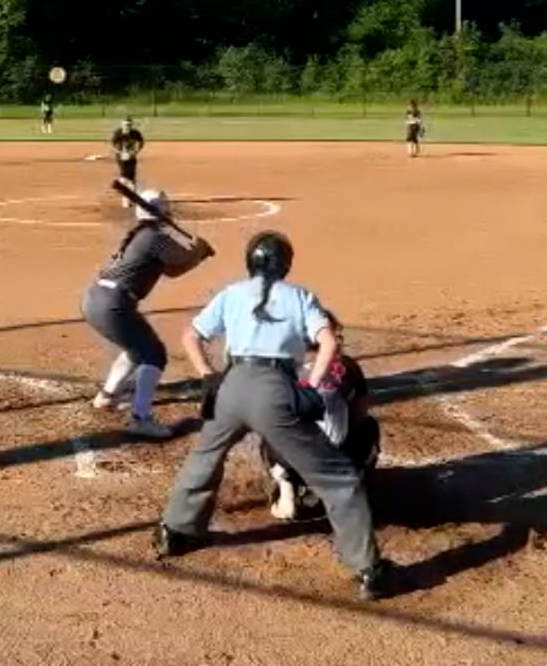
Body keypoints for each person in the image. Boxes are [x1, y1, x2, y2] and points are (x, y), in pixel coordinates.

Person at [155, 231, 397, 602]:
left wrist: (207, 375)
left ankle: (174, 533)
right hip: (275, 388)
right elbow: (329, 342)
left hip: (232, 384)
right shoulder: (300, 296)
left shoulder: (231, 293)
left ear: (249, 262)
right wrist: (312, 386)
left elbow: (191, 336)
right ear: (285, 264)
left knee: (204, 458)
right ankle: (369, 569)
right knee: (337, 478)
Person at [84, 189, 214, 438]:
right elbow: (183, 257)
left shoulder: (144, 236)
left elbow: (173, 271)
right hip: (113, 304)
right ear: (162, 210)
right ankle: (141, 418)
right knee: (154, 354)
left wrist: (198, 256)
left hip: (98, 300)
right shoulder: (154, 238)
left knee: (137, 349)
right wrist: (198, 250)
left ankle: (107, 396)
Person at [259, 306, 381, 522]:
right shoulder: (347, 365)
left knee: (270, 428)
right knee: (370, 427)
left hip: (293, 460)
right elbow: (360, 414)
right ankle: (352, 487)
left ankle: (286, 488)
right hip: (337, 462)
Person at [110, 116, 145, 207]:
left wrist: (135, 152)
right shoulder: (118, 133)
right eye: (125, 125)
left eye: (129, 125)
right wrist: (121, 153)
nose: (127, 127)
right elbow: (113, 145)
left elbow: (141, 143)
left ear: (131, 125)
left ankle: (133, 198)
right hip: (121, 157)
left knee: (132, 180)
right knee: (124, 178)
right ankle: (125, 199)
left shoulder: (135, 133)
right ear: (122, 125)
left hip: (132, 156)